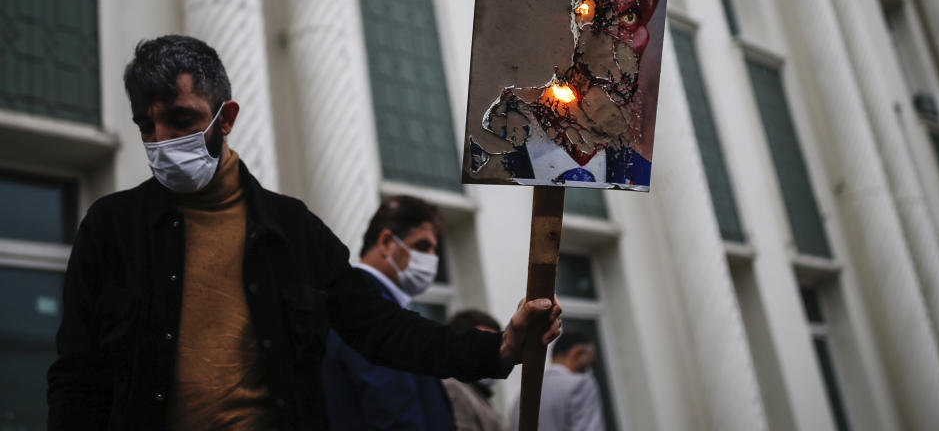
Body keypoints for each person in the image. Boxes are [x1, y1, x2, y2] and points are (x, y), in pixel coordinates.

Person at [46, 34, 562, 431]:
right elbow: (76, 377)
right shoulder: (112, 229)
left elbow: (384, 331)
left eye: (181, 119)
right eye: (146, 125)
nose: (161, 141)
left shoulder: (290, 232)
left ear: (225, 118)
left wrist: (499, 349)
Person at [471, 0, 668, 188]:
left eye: (630, 15)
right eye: (583, 10)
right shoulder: (485, 156)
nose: (608, 50)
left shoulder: (636, 175)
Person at [320, 195, 455, 430]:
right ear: (386, 242)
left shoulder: (369, 302)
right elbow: (394, 415)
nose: (432, 259)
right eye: (422, 246)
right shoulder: (369, 308)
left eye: (434, 249)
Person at [509, 329, 605, 431]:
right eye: (591, 364)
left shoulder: (521, 396)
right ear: (578, 353)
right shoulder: (581, 384)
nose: (589, 370)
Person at [442, 310, 508, 431]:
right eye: (482, 347)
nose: (491, 354)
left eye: (493, 346)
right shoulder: (452, 388)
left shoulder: (476, 392)